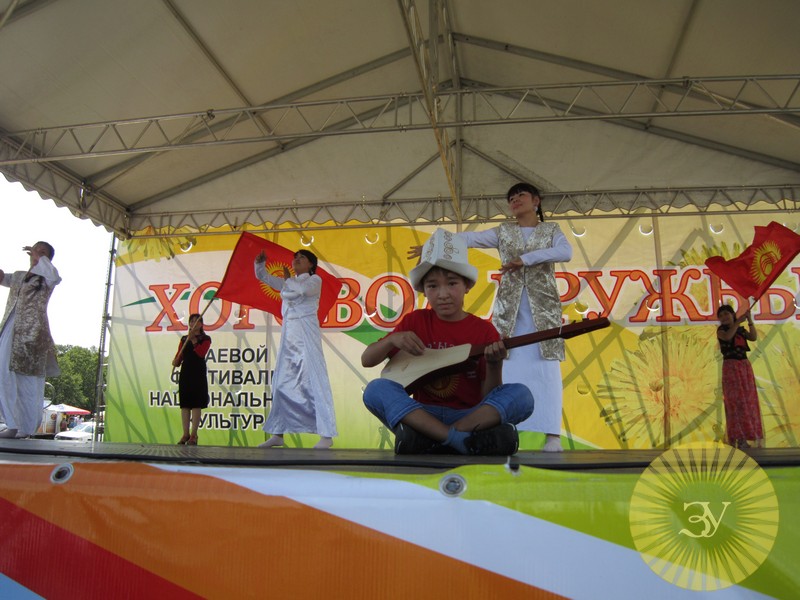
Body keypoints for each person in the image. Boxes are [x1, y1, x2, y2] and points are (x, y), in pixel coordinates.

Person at [409, 183, 572, 452]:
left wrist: (525, 259)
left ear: (536, 201)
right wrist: (432, 246)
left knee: (547, 369)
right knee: (504, 363)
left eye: (520, 195)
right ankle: (498, 427)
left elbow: (566, 252)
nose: (515, 200)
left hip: (543, 312)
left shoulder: (552, 230)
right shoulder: (503, 231)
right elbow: (467, 239)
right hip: (510, 311)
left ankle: (552, 435)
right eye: (511, 198)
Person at [363, 228, 535, 455]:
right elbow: (367, 360)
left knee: (522, 396)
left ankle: (432, 438)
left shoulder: (484, 331)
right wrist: (392, 340)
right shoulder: (415, 321)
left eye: (452, 283)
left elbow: (488, 396)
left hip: (469, 415)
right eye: (433, 286)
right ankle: (462, 440)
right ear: (424, 290)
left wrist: (495, 364)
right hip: (422, 412)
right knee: (375, 389)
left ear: (467, 286)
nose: (442, 294)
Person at [254, 248, 337, 449]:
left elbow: (303, 291)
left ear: (311, 264)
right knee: (282, 382)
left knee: (314, 381)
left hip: (306, 334)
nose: (297, 259)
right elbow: (263, 277)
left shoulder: (315, 280)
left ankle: (326, 436)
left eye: (302, 258)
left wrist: (288, 280)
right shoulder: (288, 282)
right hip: (289, 336)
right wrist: (259, 264)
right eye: (295, 257)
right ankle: (278, 433)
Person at [0, 242, 61, 439]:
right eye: (36, 250)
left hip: (32, 333)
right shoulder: (19, 276)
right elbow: (2, 277)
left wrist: (38, 256)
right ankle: (12, 423)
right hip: (11, 330)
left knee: (29, 380)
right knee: (3, 373)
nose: (37, 254)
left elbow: (54, 275)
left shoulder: (47, 279)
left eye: (43, 252)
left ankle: (24, 427)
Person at [716, 305, 763, 449]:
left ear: (732, 314)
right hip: (731, 367)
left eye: (726, 314)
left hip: (744, 367)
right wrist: (737, 322)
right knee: (735, 403)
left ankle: (748, 436)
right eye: (721, 316)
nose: (724, 317)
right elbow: (728, 337)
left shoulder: (741, 330)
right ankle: (737, 438)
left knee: (747, 401)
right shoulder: (721, 331)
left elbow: (753, 337)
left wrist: (749, 320)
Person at [171, 313, 211, 445]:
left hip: (198, 373)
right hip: (186, 372)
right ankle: (185, 434)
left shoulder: (205, 339)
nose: (194, 323)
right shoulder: (184, 339)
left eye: (196, 321)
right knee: (185, 404)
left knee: (196, 404)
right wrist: (176, 361)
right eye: (191, 321)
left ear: (201, 324)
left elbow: (201, 353)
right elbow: (179, 356)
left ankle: (194, 434)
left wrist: (193, 340)